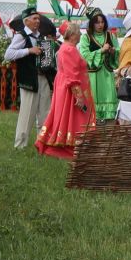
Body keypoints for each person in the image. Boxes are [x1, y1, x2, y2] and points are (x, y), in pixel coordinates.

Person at [35, 21, 93, 159]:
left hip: (65, 86)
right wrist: (78, 96)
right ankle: (70, 146)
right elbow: (72, 75)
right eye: (78, 32)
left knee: (65, 116)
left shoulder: (66, 48)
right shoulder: (69, 50)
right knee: (75, 117)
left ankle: (67, 144)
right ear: (72, 34)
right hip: (70, 89)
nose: (80, 34)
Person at [5, 8, 55, 147]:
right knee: (27, 114)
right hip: (29, 79)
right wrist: (29, 50)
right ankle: (20, 145)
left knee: (45, 112)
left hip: (43, 78)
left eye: (38, 19)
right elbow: (8, 54)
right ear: (26, 21)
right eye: (34, 19)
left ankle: (43, 144)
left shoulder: (41, 38)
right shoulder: (21, 36)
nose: (37, 21)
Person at [79, 7, 121, 122]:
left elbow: (118, 53)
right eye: (97, 22)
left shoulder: (111, 36)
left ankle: (107, 134)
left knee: (109, 112)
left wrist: (113, 52)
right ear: (92, 23)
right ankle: (93, 132)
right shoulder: (85, 37)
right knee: (93, 110)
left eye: (102, 22)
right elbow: (84, 56)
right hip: (93, 77)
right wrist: (101, 51)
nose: (100, 25)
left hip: (107, 76)